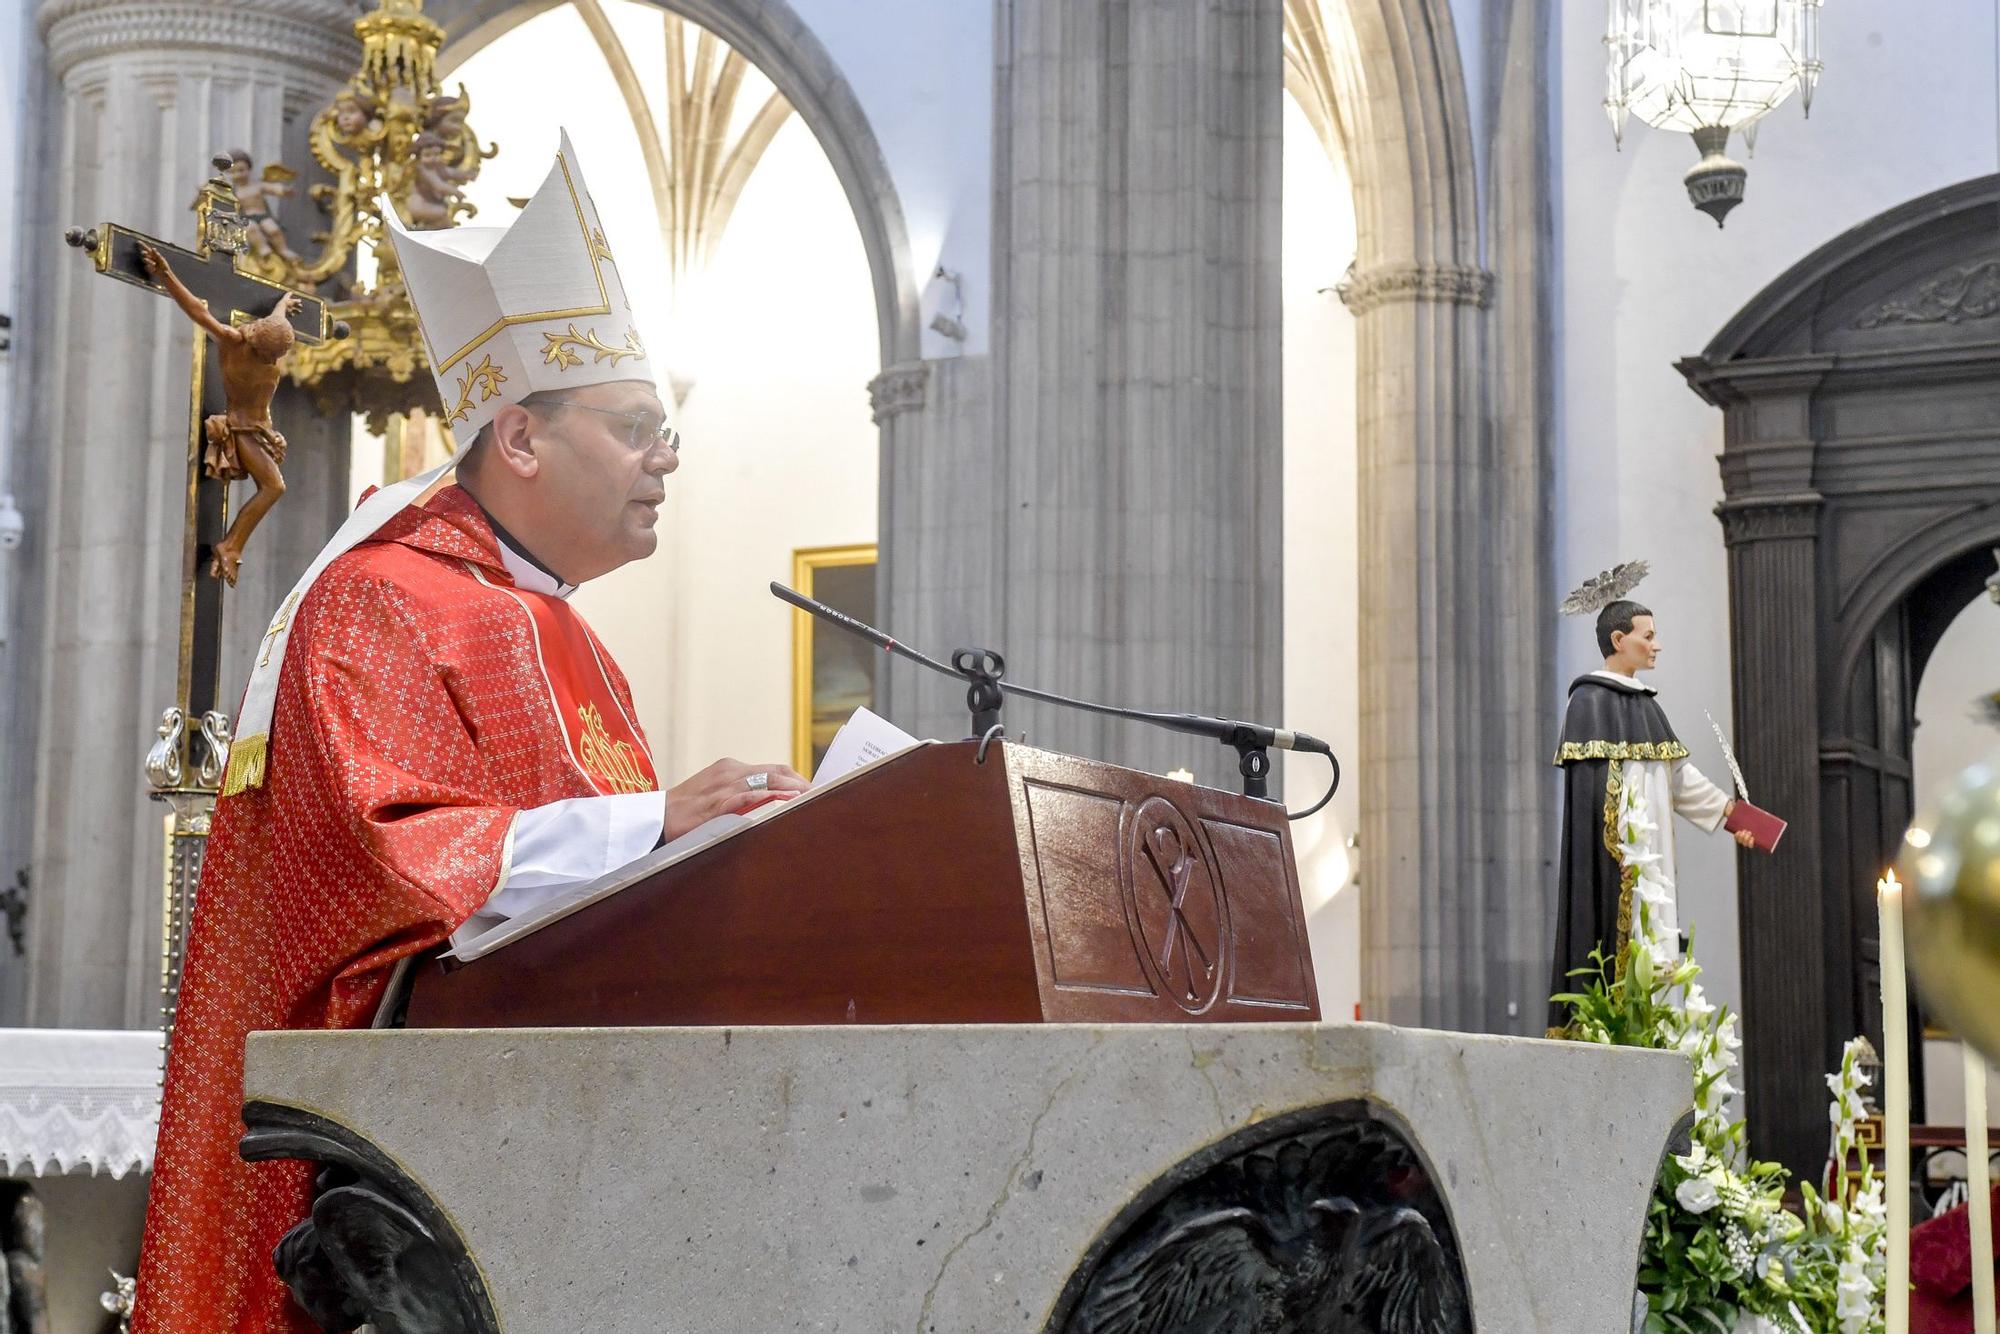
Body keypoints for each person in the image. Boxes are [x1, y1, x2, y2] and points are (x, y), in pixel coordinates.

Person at [131, 132, 805, 1334]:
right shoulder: (382, 596)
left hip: (559, 1138)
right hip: (416, 1175)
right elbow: (394, 867)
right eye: (638, 425)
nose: (668, 458)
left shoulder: (570, 634)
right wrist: (660, 819)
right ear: (522, 436)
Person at [1548, 591, 1755, 1034]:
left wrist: (1739, 820)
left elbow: (1682, 781)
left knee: (1656, 967)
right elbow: (1591, 797)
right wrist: (1619, 854)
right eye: (1649, 636)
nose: (1657, 645)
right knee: (1619, 961)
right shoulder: (1587, 701)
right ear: (1619, 639)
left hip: (1654, 867)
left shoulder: (1646, 705)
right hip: (1618, 868)